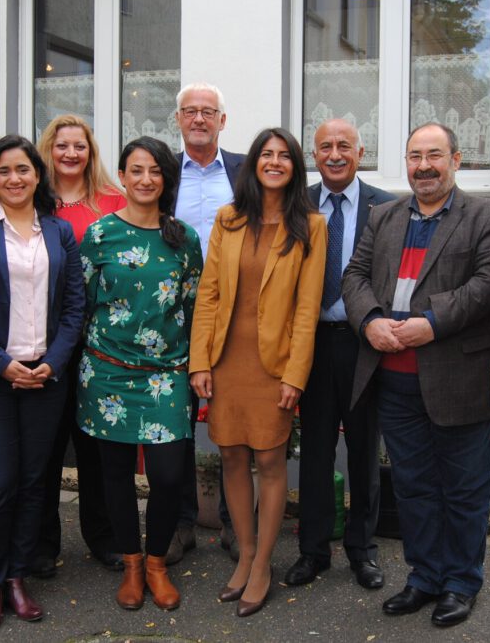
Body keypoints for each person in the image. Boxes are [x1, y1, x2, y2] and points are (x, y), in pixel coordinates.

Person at [341, 122, 490, 626]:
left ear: (457, 160)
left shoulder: (488, 216)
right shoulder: (385, 215)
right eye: (415, 156)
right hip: (393, 377)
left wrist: (431, 324)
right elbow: (354, 275)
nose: (424, 166)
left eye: (434, 155)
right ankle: (424, 576)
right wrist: (370, 320)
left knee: (463, 488)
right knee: (414, 485)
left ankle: (461, 582)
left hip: (456, 375)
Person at [0, 134, 85, 633]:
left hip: (46, 377)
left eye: (23, 170)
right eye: (4, 171)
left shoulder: (58, 232)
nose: (14, 179)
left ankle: (18, 578)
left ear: (37, 175)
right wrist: (0, 363)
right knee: (0, 481)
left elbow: (74, 307)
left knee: (33, 483)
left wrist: (56, 361)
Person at [189, 127, 327, 617]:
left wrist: (296, 375)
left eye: (283, 156)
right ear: (254, 164)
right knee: (230, 456)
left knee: (269, 464)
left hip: (274, 367)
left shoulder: (310, 224)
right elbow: (208, 295)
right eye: (266, 155)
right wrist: (200, 361)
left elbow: (308, 310)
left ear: (294, 167)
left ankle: (264, 562)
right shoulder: (228, 220)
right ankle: (244, 553)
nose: (273, 162)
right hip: (227, 361)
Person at [76, 136, 203, 611]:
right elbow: (83, 303)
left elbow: (193, 307)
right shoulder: (99, 235)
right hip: (107, 374)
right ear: (123, 177)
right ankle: (132, 564)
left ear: (166, 179)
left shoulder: (184, 238)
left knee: (169, 476)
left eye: (155, 171)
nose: (146, 179)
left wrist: (197, 367)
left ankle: (157, 563)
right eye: (136, 170)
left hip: (166, 376)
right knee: (116, 476)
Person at [284, 118, 394, 591]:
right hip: (311, 343)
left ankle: (362, 551)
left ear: (360, 151)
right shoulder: (296, 203)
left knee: (365, 450)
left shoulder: (387, 208)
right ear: (314, 153)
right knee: (314, 452)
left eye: (343, 146)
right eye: (325, 146)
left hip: (364, 342)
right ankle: (312, 551)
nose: (334, 154)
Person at [33, 114, 126, 575]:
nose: (71, 153)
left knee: (95, 449)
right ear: (48, 149)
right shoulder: (32, 203)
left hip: (100, 344)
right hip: (45, 342)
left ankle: (103, 538)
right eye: (62, 145)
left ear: (91, 152)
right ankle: (43, 544)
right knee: (47, 449)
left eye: (80, 146)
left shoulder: (114, 202)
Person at [168, 81, 246, 564]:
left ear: (223, 120)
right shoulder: (161, 172)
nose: (199, 119)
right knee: (174, 424)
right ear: (178, 119)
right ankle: (180, 522)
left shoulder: (243, 172)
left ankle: (239, 525)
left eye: (208, 111)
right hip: (172, 319)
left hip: (235, 319)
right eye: (190, 111)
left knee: (238, 423)